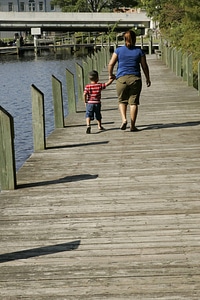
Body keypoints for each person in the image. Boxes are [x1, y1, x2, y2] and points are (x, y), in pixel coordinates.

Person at [108, 30, 151, 131]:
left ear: (124, 39)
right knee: (133, 103)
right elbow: (144, 66)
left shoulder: (118, 50)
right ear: (135, 39)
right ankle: (132, 126)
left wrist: (111, 75)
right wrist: (147, 78)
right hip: (135, 79)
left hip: (121, 79)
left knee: (122, 101)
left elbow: (111, 64)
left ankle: (123, 120)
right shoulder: (139, 51)